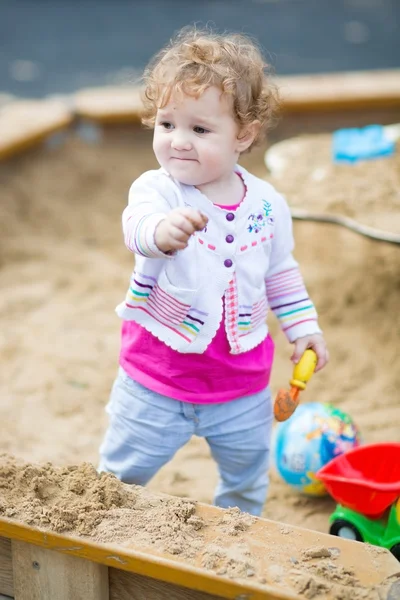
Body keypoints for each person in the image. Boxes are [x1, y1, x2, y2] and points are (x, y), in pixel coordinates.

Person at [98, 26, 329, 516]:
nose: (178, 142)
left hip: (242, 384)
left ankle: (240, 534)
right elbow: (136, 226)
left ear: (242, 135)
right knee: (119, 480)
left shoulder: (267, 204)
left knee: (246, 481)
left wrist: (302, 326)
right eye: (166, 125)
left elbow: (280, 270)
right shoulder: (157, 191)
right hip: (156, 380)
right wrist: (162, 232)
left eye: (200, 130)